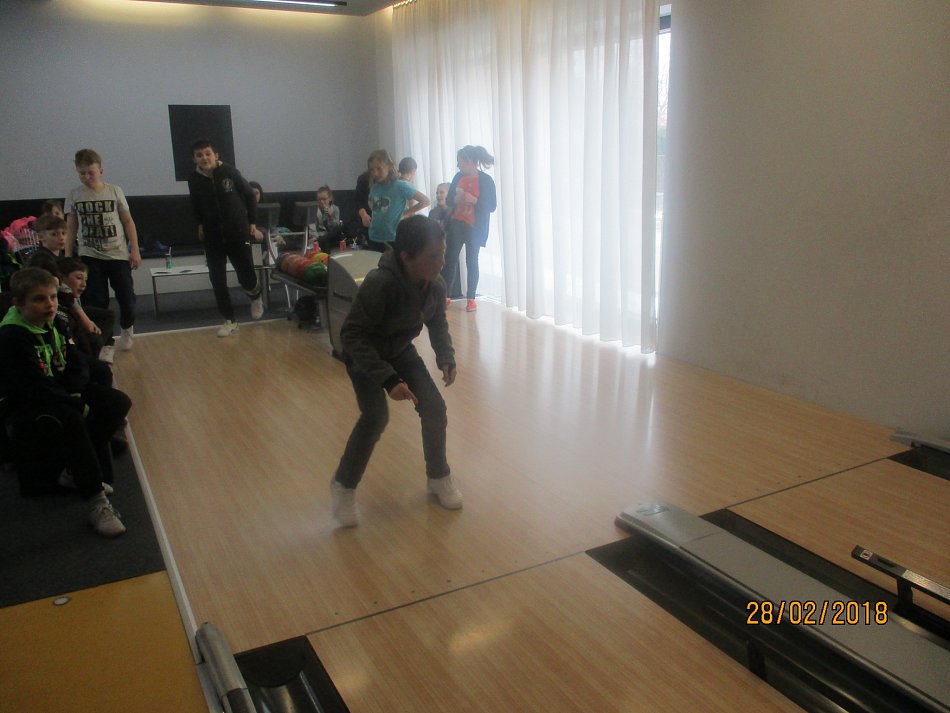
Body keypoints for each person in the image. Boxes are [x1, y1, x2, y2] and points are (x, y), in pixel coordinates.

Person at [330, 215, 460, 527]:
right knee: (375, 417)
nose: (442, 262)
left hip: (400, 350)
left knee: (434, 408)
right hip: (365, 355)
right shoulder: (380, 284)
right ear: (406, 257)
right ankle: (343, 486)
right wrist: (388, 379)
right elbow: (351, 336)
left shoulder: (435, 284)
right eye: (433, 256)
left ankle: (438, 476)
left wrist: (445, 355)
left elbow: (437, 321)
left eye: (443, 253)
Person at [0, 268, 130, 537]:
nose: (49, 304)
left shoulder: (53, 322)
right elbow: (32, 385)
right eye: (39, 299)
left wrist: (76, 393)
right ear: (19, 304)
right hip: (29, 402)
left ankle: (74, 471)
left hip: (60, 392)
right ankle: (97, 502)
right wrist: (75, 403)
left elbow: (76, 362)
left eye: (52, 297)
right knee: (73, 418)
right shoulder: (12, 336)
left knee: (117, 402)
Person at [187, 139, 265, 337]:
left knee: (245, 274)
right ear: (194, 159)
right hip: (212, 236)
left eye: (207, 153)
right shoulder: (194, 179)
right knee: (217, 278)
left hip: (237, 232)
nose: (204, 158)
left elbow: (249, 195)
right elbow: (195, 204)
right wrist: (200, 223)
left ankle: (255, 295)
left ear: (216, 155)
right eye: (199, 155)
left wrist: (252, 221)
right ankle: (229, 320)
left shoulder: (229, 172)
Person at [65, 148, 141, 351]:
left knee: (127, 296)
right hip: (90, 255)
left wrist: (134, 250)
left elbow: (128, 221)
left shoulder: (114, 191)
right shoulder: (74, 195)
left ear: (100, 171)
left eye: (90, 172)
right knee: (96, 301)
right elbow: (71, 227)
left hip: (117, 254)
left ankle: (127, 328)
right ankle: (105, 342)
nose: (86, 177)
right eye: (82, 173)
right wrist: (67, 255)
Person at [441, 145, 497, 312]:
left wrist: (473, 200)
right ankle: (445, 296)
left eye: (460, 162)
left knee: (472, 260)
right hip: (457, 223)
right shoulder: (458, 177)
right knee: (450, 259)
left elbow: (491, 206)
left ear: (470, 162)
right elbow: (449, 200)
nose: (458, 165)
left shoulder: (486, 180)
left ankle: (471, 298)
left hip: (475, 227)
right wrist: (457, 199)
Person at [365, 150, 430, 252]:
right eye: (372, 170)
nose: (375, 173)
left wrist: (405, 213)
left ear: (389, 167)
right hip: (374, 236)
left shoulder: (400, 185)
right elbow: (371, 202)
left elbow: (425, 201)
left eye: (379, 168)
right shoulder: (375, 187)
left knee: (393, 262)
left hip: (393, 237)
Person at [428, 183, 461, 299]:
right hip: (437, 246)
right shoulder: (433, 213)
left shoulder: (456, 211)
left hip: (451, 244)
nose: (438, 195)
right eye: (437, 193)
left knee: (450, 267)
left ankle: (449, 294)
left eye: (442, 192)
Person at [312, 185, 345, 253]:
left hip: (331, 234)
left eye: (324, 199)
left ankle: (323, 241)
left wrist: (330, 216)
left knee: (340, 227)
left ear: (330, 198)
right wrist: (315, 238)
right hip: (320, 235)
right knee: (323, 240)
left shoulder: (335, 209)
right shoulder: (314, 210)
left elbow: (335, 228)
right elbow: (312, 228)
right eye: (319, 199)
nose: (322, 202)